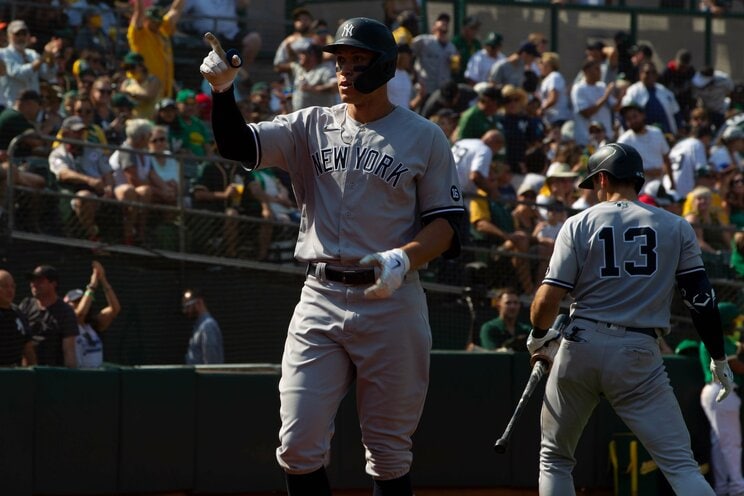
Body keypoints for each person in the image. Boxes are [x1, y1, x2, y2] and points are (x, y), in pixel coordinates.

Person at [200, 16, 464, 494]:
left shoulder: (424, 136)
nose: (343, 70)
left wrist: (404, 257)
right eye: (339, 60)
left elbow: (446, 225)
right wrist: (223, 93)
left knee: (388, 453)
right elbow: (238, 144)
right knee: (297, 446)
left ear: (383, 66)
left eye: (355, 60)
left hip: (392, 300)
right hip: (320, 295)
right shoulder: (310, 124)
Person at [526, 142, 734, 496]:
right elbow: (701, 301)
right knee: (681, 466)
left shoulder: (578, 223)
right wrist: (718, 356)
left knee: (555, 459)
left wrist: (539, 334)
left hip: (580, 344)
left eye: (593, 184)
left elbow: (547, 298)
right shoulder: (676, 226)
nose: (593, 191)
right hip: (638, 351)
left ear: (603, 178)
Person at [699, 301, 744, 496]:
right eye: (734, 320)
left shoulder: (718, 337)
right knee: (730, 443)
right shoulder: (718, 338)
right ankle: (737, 488)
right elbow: (737, 367)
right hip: (722, 391)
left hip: (715, 392)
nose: (737, 324)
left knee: (720, 443)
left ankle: (723, 488)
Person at [19, 265, 78, 368]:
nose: (34, 284)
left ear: (53, 284)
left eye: (39, 281)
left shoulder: (65, 312)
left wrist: (70, 378)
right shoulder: (25, 305)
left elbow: (69, 351)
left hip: (53, 374)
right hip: (27, 373)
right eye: (32, 280)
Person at [64, 261, 121, 368]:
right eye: (76, 301)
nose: (81, 304)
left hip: (96, 377)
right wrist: (92, 286)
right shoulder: (67, 323)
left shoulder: (93, 325)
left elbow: (115, 309)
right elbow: (80, 314)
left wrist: (103, 280)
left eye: (82, 301)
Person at [127, 0, 186, 98]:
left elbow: (175, 10)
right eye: (153, 20)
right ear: (146, 19)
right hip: (145, 89)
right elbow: (139, 12)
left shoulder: (163, 31)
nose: (156, 23)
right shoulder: (139, 35)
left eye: (158, 21)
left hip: (164, 91)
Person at [0, 269, 34, 366]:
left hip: (15, 375)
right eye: (5, 286)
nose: (10, 290)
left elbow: (27, 347)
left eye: (12, 286)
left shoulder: (18, 313)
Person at [479, 286, 530, 351]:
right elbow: (491, 353)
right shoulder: (489, 328)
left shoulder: (526, 330)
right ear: (498, 305)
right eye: (508, 303)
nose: (512, 307)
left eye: (516, 303)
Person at [182, 288, 224, 365]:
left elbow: (211, 365)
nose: (186, 311)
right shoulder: (199, 327)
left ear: (199, 302)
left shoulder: (207, 327)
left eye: (188, 306)